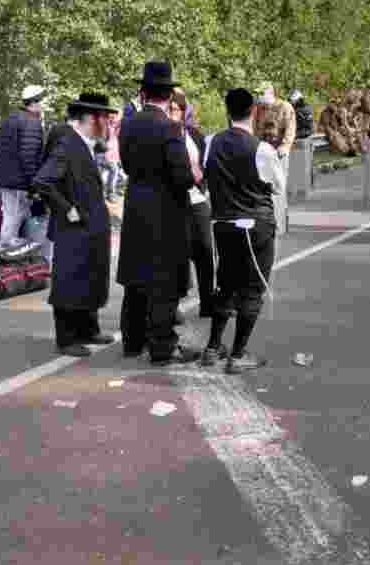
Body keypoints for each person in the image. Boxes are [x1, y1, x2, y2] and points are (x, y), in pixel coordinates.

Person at [117, 62, 201, 365]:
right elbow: (182, 177)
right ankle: (162, 346)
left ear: (143, 92)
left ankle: (132, 341)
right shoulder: (170, 128)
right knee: (163, 281)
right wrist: (195, 175)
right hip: (166, 210)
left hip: (136, 206)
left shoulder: (128, 124)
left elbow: (127, 165)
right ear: (169, 95)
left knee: (136, 279)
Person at [200, 88, 285, 372]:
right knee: (252, 290)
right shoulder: (262, 149)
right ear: (254, 111)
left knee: (225, 283)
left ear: (227, 111)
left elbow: (204, 174)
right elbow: (277, 186)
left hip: (223, 223)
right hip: (255, 224)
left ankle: (213, 347)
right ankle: (237, 355)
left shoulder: (211, 141)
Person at [32, 93, 117, 357]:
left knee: (89, 276)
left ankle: (88, 329)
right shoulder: (68, 143)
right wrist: (66, 208)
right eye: (105, 118)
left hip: (90, 225)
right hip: (74, 227)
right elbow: (43, 181)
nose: (108, 124)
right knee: (70, 280)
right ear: (92, 118)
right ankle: (67, 338)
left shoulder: (84, 143)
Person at [169, 88, 216, 320]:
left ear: (183, 111)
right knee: (176, 255)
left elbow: (206, 165)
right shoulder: (162, 136)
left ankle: (208, 301)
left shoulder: (195, 135)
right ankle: (173, 305)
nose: (172, 113)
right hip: (174, 201)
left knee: (205, 251)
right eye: (169, 109)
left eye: (176, 109)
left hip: (197, 199)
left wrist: (202, 184)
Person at [0, 85, 47, 242]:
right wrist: (34, 185)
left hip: (6, 180)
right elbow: (29, 157)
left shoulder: (11, 118)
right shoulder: (31, 123)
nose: (43, 105)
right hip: (20, 183)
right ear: (34, 102)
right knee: (15, 221)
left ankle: (7, 251)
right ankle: (7, 252)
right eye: (42, 101)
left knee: (10, 219)